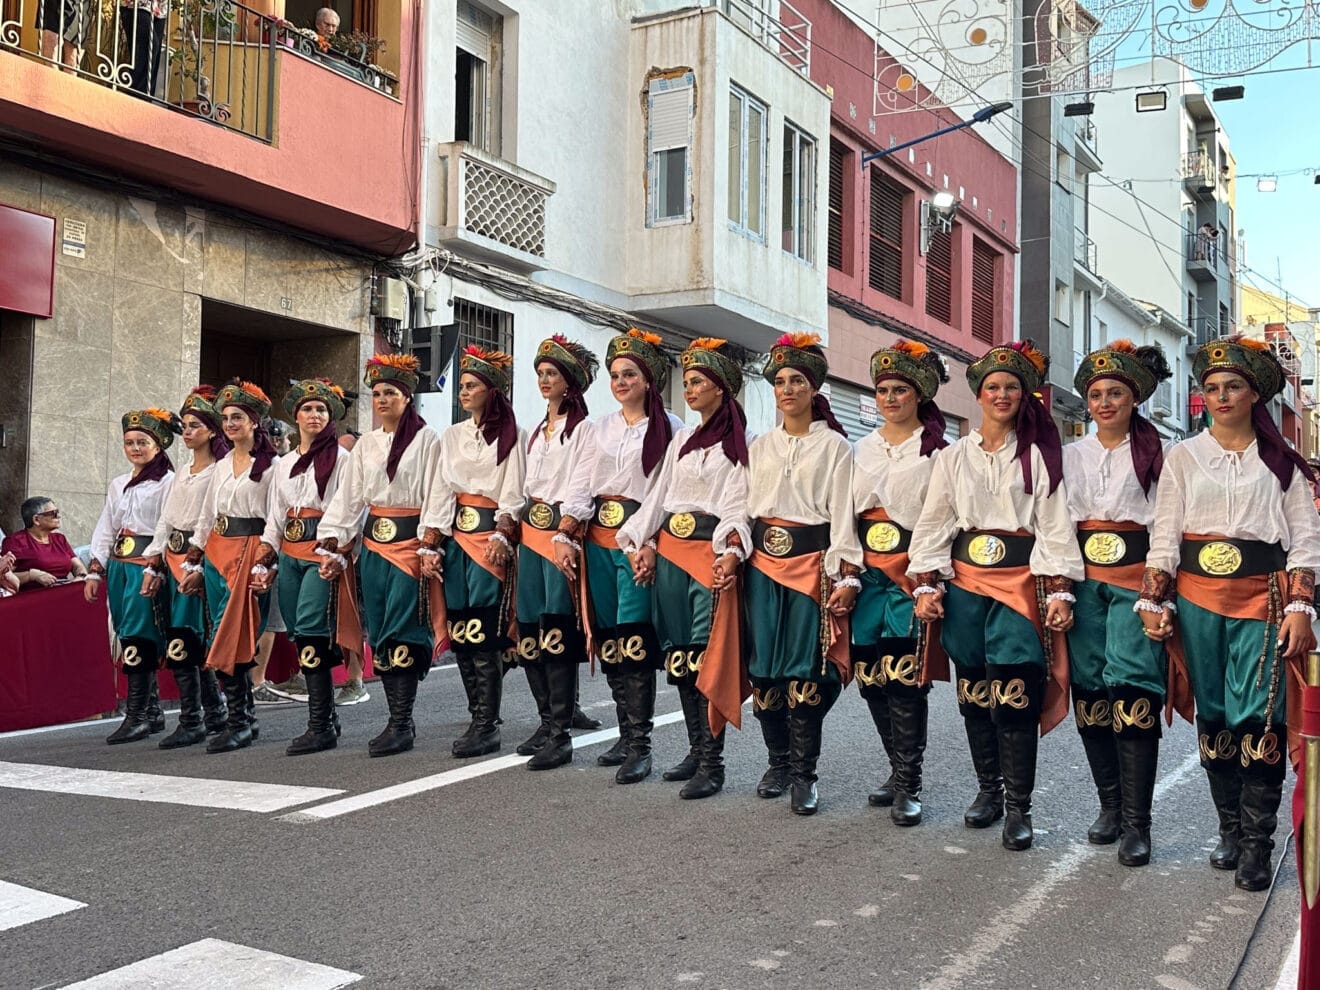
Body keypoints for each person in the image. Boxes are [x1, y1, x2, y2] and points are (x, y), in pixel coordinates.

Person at [1140, 335, 1320, 890]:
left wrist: (1300, 605)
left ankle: (1257, 845)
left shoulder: (1282, 463)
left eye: (1233, 387)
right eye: (1212, 388)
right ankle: (1229, 829)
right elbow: (1165, 532)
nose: (1221, 396)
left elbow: (1306, 540)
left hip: (1262, 599)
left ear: (1254, 395)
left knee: (1257, 716)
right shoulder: (1184, 456)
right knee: (1215, 715)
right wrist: (1154, 596)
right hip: (1197, 599)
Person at [909, 340, 1083, 851]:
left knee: (1014, 692)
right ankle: (987, 790)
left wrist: (1058, 589)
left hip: (1018, 584)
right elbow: (936, 520)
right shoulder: (953, 457)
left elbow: (1053, 527)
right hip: (965, 583)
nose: (1002, 394)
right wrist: (926, 582)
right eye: (993, 387)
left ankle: (1018, 807)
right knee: (975, 693)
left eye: (1011, 386)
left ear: (1025, 395)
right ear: (979, 396)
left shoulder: (1039, 457)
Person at [1065, 341, 1183, 867]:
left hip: (1137, 579)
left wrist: (1157, 596)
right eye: (1096, 394)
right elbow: (1057, 525)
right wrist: (1061, 589)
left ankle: (1139, 823)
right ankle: (1109, 807)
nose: (1105, 402)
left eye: (1115, 393)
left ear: (1134, 399)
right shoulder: (1070, 456)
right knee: (1090, 688)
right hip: (1085, 581)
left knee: (1132, 684)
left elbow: (1168, 529)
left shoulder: (1161, 458)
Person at [620, 337, 750, 798]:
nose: (689, 389)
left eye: (697, 382)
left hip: (707, 557)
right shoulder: (680, 441)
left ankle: (713, 764)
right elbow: (658, 499)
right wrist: (646, 542)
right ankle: (697, 750)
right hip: (672, 557)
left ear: (721, 388)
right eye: (687, 382)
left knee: (704, 659)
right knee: (679, 657)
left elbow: (738, 505)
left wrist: (731, 549)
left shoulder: (741, 443)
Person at [746, 333, 861, 816]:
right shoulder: (760, 444)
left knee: (807, 671)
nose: (787, 388)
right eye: (780, 381)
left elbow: (842, 515)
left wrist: (844, 574)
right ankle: (777, 761)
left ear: (814, 390)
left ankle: (804, 772)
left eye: (797, 381)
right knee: (763, 672)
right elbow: (745, 508)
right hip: (761, 566)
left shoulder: (835, 446)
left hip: (811, 567)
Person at [569, 330, 683, 784]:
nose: (620, 382)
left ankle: (642, 745)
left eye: (629, 374)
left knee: (636, 639)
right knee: (612, 637)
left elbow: (668, 492)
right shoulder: (596, 427)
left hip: (639, 538)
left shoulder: (672, 428)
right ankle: (623, 732)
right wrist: (566, 528)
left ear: (648, 380)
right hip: (599, 537)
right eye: (615, 375)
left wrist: (653, 542)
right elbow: (580, 483)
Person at [317, 354, 443, 757]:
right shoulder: (367, 445)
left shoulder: (427, 440)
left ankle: (401, 722)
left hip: (409, 545)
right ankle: (395, 718)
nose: (382, 399)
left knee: (406, 627)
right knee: (383, 629)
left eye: (391, 392)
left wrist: (429, 542)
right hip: (373, 546)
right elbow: (350, 498)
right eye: (377, 393)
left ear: (407, 398)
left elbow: (436, 494)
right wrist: (335, 541)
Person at [851, 340, 951, 826]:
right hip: (867, 571)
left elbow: (943, 517)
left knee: (905, 676)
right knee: (871, 676)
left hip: (910, 570)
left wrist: (929, 575)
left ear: (920, 397)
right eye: (884, 390)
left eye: (901, 390)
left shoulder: (938, 454)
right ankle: (896, 768)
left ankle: (910, 782)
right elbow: (842, 514)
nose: (890, 398)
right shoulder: (861, 448)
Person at [419, 347, 525, 758]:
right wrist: (431, 541)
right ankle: (476, 713)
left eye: (472, 386)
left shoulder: (514, 433)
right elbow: (442, 488)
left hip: (489, 539)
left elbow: (513, 488)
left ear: (491, 390)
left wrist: (503, 531)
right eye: (461, 386)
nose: (464, 392)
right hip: (457, 539)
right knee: (462, 627)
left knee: (485, 631)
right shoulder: (453, 435)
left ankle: (487, 723)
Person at [256, 378, 362, 755]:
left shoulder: (345, 459)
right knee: (299, 631)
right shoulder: (282, 464)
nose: (314, 415)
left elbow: (350, 508)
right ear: (295, 416)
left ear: (330, 416)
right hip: (290, 550)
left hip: (323, 548)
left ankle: (319, 723)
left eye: (321, 409)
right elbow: (276, 515)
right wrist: (266, 554)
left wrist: (339, 551)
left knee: (314, 626)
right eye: (307, 409)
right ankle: (327, 717)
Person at [514, 335, 600, 770]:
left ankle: (561, 732)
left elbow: (582, 483)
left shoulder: (584, 430)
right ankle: (546, 720)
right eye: (541, 374)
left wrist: (567, 531)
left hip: (558, 536)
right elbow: (524, 484)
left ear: (570, 383)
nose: (545, 381)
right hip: (530, 534)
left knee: (557, 629)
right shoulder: (535, 431)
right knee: (529, 628)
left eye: (553, 374)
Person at [179, 381, 278, 753]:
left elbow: (276, 518)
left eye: (237, 417)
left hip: (250, 553)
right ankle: (244, 719)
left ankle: (238, 721)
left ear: (254, 422)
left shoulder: (271, 466)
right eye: (225, 418)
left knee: (233, 635)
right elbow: (208, 516)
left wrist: (267, 562)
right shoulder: (221, 465)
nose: (231, 423)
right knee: (216, 631)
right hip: (218, 553)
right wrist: (195, 558)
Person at [142, 386, 230, 747]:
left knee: (191, 637)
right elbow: (167, 518)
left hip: (200, 558)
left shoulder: (219, 470)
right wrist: (155, 557)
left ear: (212, 430)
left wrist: (198, 562)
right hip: (174, 556)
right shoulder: (183, 472)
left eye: (195, 426)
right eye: (186, 426)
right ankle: (203, 713)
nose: (188, 432)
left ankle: (204, 715)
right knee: (178, 637)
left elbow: (211, 520)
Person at [85, 409, 177, 744]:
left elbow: (166, 526)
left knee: (140, 634)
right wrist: (96, 569)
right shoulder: (118, 484)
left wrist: (156, 564)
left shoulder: (168, 482)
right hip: (121, 565)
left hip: (145, 563)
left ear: (158, 445)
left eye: (142, 442)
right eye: (129, 443)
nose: (135, 448)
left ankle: (136, 714)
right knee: (125, 632)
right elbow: (106, 527)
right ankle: (151, 711)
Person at [3, 497, 87, 590]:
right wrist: (31, 575)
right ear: (36, 519)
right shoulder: (16, 541)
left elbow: (77, 566)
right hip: (33, 597)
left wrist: (80, 577)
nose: (58, 516)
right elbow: (4, 576)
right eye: (54, 514)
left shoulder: (59, 539)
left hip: (65, 592)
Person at [120, 0, 168, 96]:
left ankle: (147, 99)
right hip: (137, 5)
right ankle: (136, 99)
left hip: (160, 9)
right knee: (149, 46)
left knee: (153, 60)